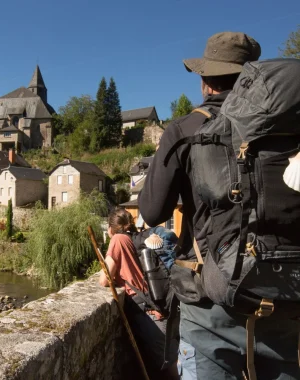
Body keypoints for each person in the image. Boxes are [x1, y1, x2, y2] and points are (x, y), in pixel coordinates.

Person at [138, 32, 300, 379]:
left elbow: (152, 213)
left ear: (205, 80)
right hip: (286, 298)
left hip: (209, 303)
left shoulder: (186, 128)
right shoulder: (291, 129)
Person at [99, 208, 178, 380]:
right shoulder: (135, 238)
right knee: (169, 360)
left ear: (111, 228)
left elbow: (104, 279)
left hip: (147, 311)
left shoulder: (118, 239)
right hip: (158, 306)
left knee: (169, 365)